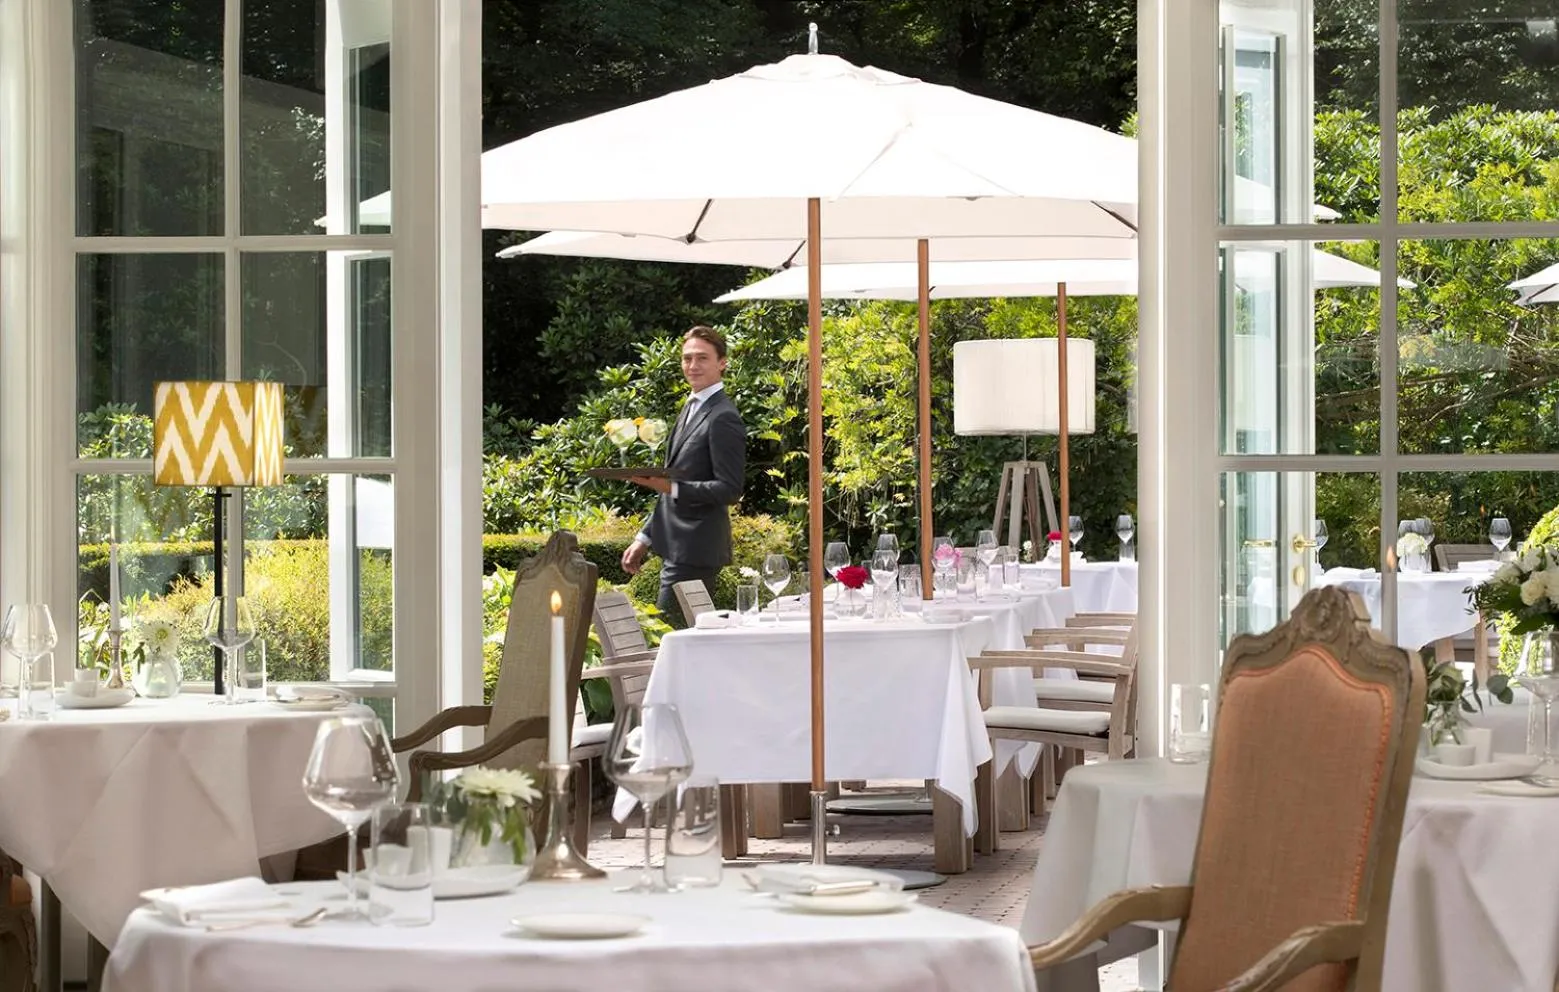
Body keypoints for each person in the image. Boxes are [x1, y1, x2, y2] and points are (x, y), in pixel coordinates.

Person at [621, 325, 746, 621]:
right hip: (677, 549)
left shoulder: (723, 416)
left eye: (702, 358)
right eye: (687, 358)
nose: (693, 365)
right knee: (682, 642)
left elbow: (730, 489)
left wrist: (672, 488)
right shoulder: (691, 407)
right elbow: (672, 483)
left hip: (697, 550)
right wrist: (645, 537)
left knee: (669, 637)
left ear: (722, 363)